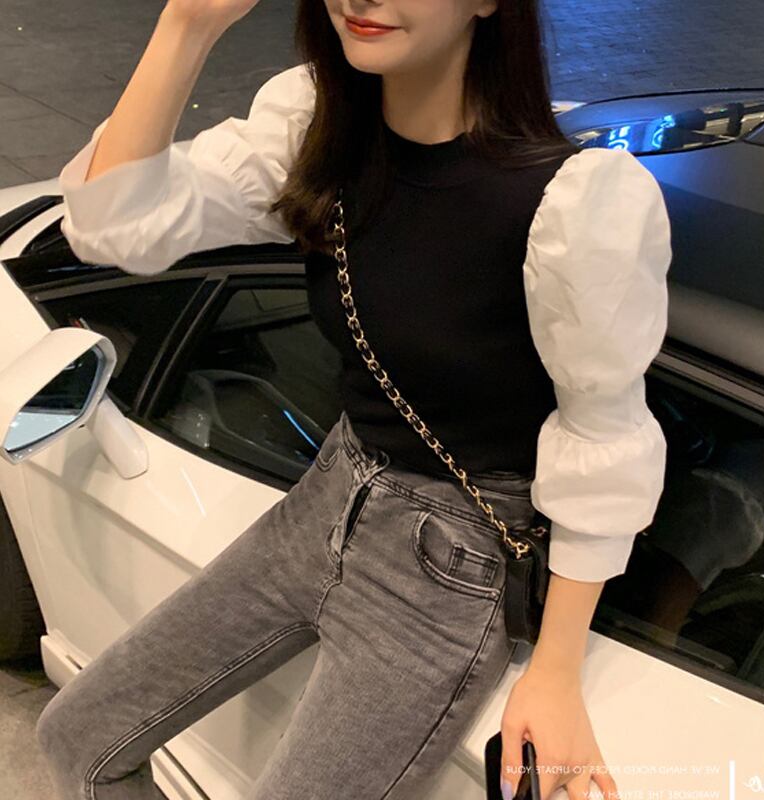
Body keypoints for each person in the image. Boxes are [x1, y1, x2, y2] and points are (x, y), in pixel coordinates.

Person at [34, 1, 672, 799]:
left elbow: (604, 432)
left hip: (449, 564)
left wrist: (555, 669)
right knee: (77, 737)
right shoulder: (318, 129)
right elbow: (113, 228)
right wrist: (187, 24)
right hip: (328, 492)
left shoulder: (573, 203)